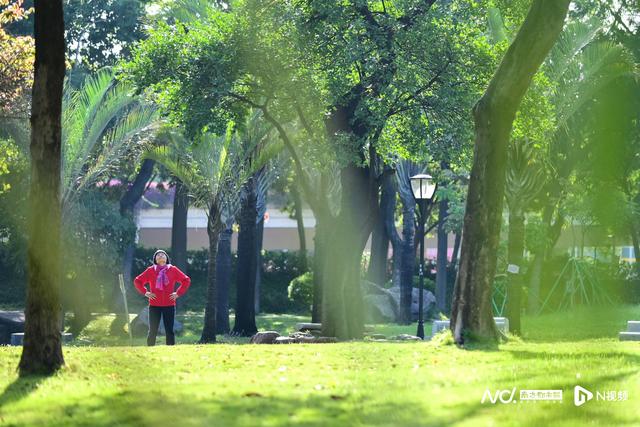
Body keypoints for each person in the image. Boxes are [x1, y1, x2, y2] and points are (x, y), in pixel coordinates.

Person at [134, 250, 191, 346]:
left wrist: (178, 293)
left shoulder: (173, 269)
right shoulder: (150, 270)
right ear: (155, 259)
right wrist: (145, 292)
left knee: (169, 330)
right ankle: (150, 349)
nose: (160, 256)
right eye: (158, 255)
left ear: (166, 258)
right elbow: (137, 281)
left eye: (163, 255)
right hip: (154, 305)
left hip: (169, 304)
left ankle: (171, 350)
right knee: (152, 330)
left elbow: (186, 280)